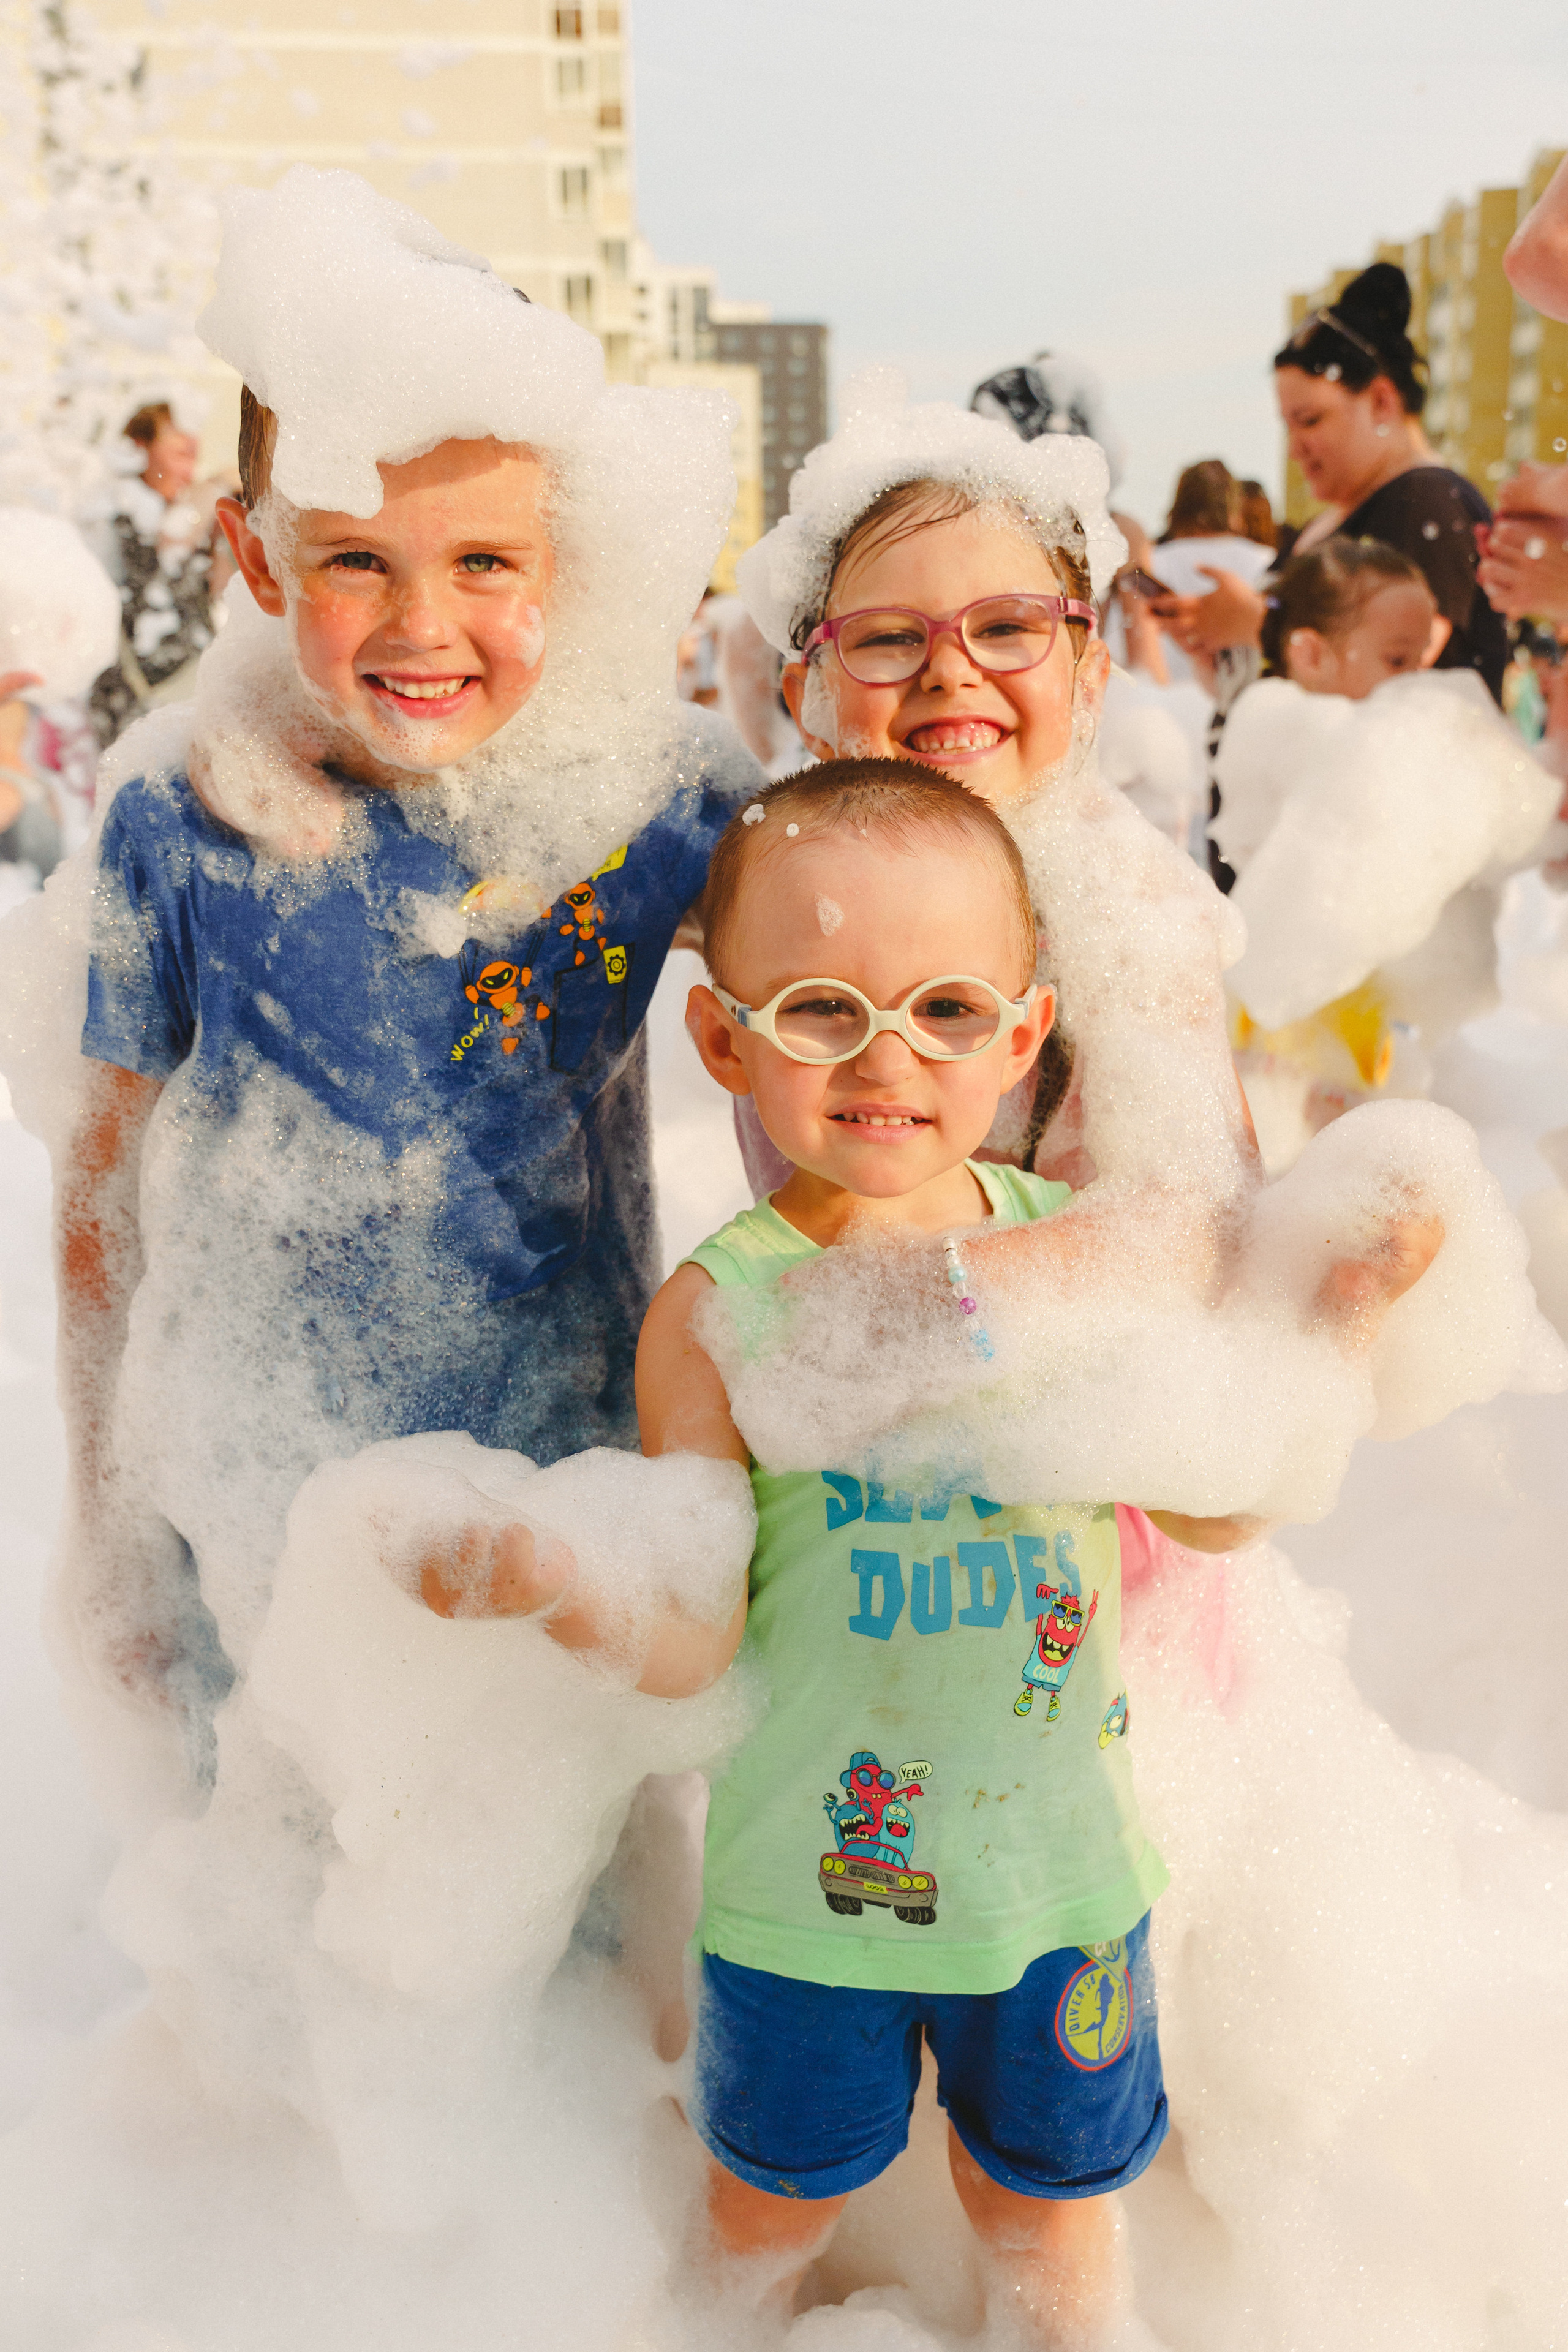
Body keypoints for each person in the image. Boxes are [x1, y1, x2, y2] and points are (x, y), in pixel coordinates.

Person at [418, 763, 1437, 2345]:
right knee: (766, 2198)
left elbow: (1219, 1503)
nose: (889, 1059)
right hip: (799, 1901)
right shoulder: (719, 1316)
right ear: (723, 1040)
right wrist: (562, 1584)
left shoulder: (1075, 1266)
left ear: (1026, 1037)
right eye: (823, 1010)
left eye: (949, 1011)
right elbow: (693, 1629)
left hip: (1058, 1896)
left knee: (1046, 2209)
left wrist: (1340, 1324)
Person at [50, 170, 761, 1782]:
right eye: (355, 560)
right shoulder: (178, 817)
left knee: (582, 1934)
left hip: (574, 1498)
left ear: (566, 556)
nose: (423, 625)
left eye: (487, 565)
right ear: (252, 555)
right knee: (318, 1938)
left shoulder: (651, 798)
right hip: (272, 1506)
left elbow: (843, 1012)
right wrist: (107, 1521)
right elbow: (101, 1190)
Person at [1212, 540, 1556, 1167]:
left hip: (1352, 1004)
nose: (1417, 685)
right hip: (1286, 1018)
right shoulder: (1291, 727)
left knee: (1357, 1150)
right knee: (1297, 1156)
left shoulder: (1369, 753)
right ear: (1310, 655)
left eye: (1423, 660)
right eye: (1397, 660)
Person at [1156, 264, 1510, 704]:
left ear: (1381, 401)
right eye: (1288, 427)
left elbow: (1398, 669)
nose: (1295, 449)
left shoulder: (1427, 502)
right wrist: (1216, 646)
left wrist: (1252, 624)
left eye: (1310, 421)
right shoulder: (1339, 518)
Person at [88, 401, 221, 745]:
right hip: (134, 706)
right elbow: (165, 553)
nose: (189, 471)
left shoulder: (183, 511)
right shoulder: (115, 511)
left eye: (194, 456)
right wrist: (213, 490)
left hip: (189, 692)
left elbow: (218, 594)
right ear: (140, 449)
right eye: (180, 454)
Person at [1148, 458, 1275, 692]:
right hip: (1243, 704)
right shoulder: (1268, 561)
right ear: (1232, 505)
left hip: (1166, 703)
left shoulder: (1152, 563)